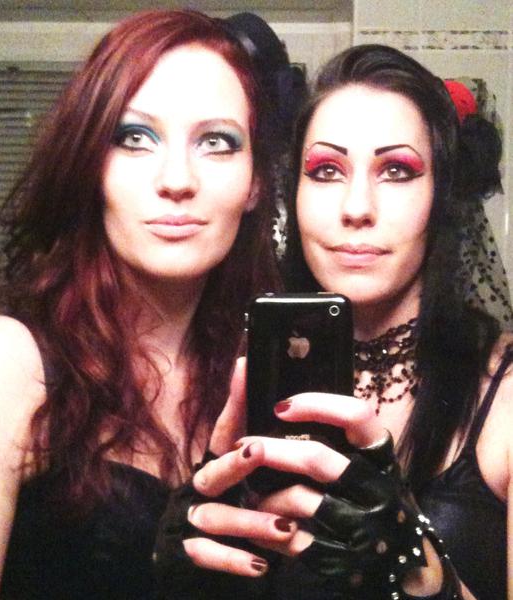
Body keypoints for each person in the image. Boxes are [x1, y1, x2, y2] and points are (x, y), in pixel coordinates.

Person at [157, 45, 513, 600]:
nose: (356, 207)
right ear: (293, 194)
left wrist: (418, 571)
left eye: (396, 171)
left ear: (441, 197)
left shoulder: (504, 392)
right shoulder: (228, 374)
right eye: (326, 171)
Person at [0, 9, 281, 599]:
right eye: (134, 138)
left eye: (216, 142)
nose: (176, 180)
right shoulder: (13, 362)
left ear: (255, 181)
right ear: (90, 166)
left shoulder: (259, 374)